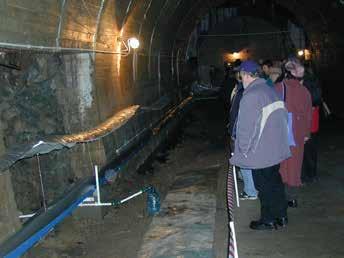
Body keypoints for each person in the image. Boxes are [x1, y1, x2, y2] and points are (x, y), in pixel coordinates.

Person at [230, 60, 291, 230]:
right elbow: (284, 117)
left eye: (241, 75)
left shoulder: (251, 95)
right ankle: (281, 216)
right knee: (274, 182)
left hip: (261, 151)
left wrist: (243, 152)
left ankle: (268, 219)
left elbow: (245, 128)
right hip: (275, 148)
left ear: (247, 75)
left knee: (263, 186)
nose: (240, 78)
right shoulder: (269, 89)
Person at [275, 59, 312, 208]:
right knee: (295, 165)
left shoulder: (278, 88)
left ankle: (281, 195)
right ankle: (292, 198)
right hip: (298, 132)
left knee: (281, 164)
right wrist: (306, 133)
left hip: (281, 132)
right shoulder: (304, 91)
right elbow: (308, 114)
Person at [228, 61, 258, 200]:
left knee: (245, 162)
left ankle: (251, 191)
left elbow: (239, 114)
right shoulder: (242, 89)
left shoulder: (244, 92)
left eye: (238, 72)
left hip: (243, 133)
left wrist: (234, 132)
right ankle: (252, 187)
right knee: (248, 163)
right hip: (243, 131)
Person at [301, 62, 322, 184]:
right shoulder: (315, 83)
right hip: (313, 123)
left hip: (307, 122)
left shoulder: (306, 84)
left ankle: (307, 175)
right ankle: (312, 174)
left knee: (306, 151)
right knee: (311, 151)